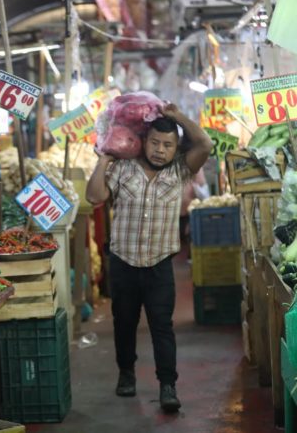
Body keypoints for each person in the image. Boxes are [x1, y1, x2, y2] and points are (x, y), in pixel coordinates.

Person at [85, 104, 213, 413]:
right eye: (155, 142)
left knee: (162, 327)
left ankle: (168, 385)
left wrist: (177, 116)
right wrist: (103, 160)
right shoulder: (122, 168)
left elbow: (205, 144)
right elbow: (94, 196)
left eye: (168, 145)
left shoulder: (180, 171)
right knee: (124, 323)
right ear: (143, 141)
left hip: (159, 266)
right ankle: (126, 373)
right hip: (123, 263)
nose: (160, 150)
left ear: (176, 148)